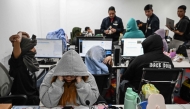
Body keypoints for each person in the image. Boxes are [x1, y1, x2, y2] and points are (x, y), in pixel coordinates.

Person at [9, 32, 40, 105]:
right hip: (24, 100)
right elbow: (17, 41)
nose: (34, 49)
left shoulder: (29, 59)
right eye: (32, 47)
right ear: (25, 48)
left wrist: (23, 34)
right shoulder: (18, 61)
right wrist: (18, 37)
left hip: (32, 95)